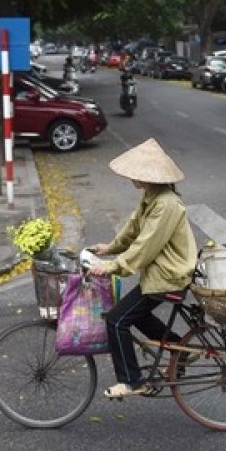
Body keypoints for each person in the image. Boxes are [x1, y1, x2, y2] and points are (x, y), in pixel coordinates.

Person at [88, 138, 198, 398]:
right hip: (160, 274)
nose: (132, 177)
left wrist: (114, 266)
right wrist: (110, 248)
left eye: (136, 173)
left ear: (149, 175)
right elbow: (133, 228)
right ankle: (178, 349)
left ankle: (132, 381)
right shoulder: (153, 196)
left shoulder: (166, 204)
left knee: (116, 320)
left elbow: (146, 245)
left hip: (169, 275)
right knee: (135, 314)